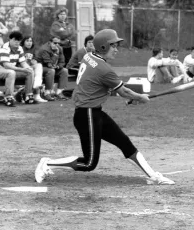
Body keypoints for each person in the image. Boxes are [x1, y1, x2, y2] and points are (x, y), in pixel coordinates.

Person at [34, 29, 175, 185]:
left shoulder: (89, 56)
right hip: (87, 115)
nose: (116, 49)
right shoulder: (104, 69)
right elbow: (123, 90)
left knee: (124, 142)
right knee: (89, 163)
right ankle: (47, 163)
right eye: (113, 46)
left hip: (94, 112)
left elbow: (100, 85)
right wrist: (139, 97)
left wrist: (130, 97)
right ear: (102, 47)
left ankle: (153, 176)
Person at [0, 31, 35, 106]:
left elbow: (23, 62)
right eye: (15, 40)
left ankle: (28, 96)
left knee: (30, 71)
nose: (17, 42)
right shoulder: (4, 48)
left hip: (10, 70)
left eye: (19, 40)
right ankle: (8, 97)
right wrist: (22, 69)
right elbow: (6, 65)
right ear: (10, 39)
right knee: (11, 72)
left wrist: (28, 68)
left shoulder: (20, 48)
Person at [36, 36, 69, 101]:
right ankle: (47, 93)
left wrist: (58, 66)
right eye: (55, 43)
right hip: (41, 68)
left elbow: (62, 61)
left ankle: (59, 92)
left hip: (52, 68)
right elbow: (49, 63)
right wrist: (55, 54)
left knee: (64, 70)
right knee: (51, 71)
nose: (57, 45)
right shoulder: (44, 49)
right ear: (50, 42)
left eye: (59, 43)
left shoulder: (59, 48)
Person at [20, 36, 47, 102]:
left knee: (39, 65)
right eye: (27, 41)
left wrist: (34, 61)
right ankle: (36, 95)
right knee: (34, 72)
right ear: (23, 42)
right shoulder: (20, 49)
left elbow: (36, 58)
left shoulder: (33, 49)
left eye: (30, 41)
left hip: (31, 68)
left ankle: (37, 89)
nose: (29, 43)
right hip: (21, 68)